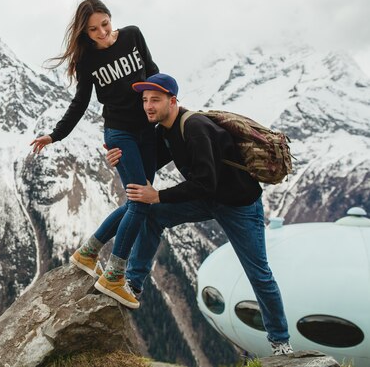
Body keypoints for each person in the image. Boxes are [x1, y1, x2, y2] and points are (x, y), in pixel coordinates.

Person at [105, 72, 294, 355]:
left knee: (258, 273)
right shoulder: (166, 130)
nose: (148, 106)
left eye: (155, 100)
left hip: (239, 206)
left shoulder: (194, 128)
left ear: (173, 101)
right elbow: (149, 165)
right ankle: (133, 283)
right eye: (145, 100)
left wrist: (158, 196)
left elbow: (206, 182)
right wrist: (120, 161)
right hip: (208, 199)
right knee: (154, 216)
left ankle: (280, 341)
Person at [30, 0, 159, 309]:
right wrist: (55, 135)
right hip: (120, 133)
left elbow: (152, 72)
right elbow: (80, 102)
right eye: (93, 29)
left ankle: (88, 253)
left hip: (148, 130)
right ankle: (114, 275)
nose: (102, 32)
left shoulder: (133, 36)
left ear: (111, 18)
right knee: (141, 201)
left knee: (136, 201)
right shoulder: (87, 62)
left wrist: (169, 109)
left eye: (105, 24)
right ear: (84, 33)